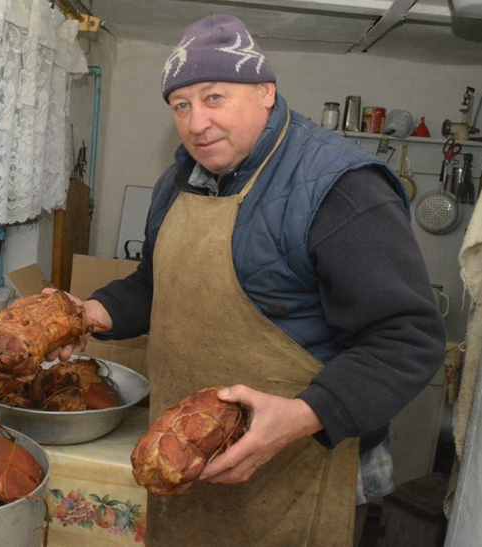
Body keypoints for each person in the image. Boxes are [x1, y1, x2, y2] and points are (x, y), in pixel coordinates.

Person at [47, 13, 445, 547]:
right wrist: (88, 314)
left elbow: (408, 340)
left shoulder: (341, 188)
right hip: (189, 461)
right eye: (181, 105)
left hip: (296, 466)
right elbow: (154, 285)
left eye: (214, 98)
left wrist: (307, 415)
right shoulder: (178, 182)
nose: (196, 123)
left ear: (265, 91)